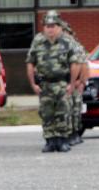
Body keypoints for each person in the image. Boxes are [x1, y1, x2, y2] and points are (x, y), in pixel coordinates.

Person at [26, 11, 78, 153]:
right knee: (46, 113)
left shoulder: (67, 41)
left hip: (61, 83)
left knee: (63, 111)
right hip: (45, 84)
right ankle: (49, 141)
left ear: (59, 27)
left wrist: (72, 84)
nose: (50, 29)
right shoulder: (38, 42)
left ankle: (62, 141)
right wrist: (33, 84)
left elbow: (74, 63)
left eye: (53, 25)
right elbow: (30, 62)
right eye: (47, 26)